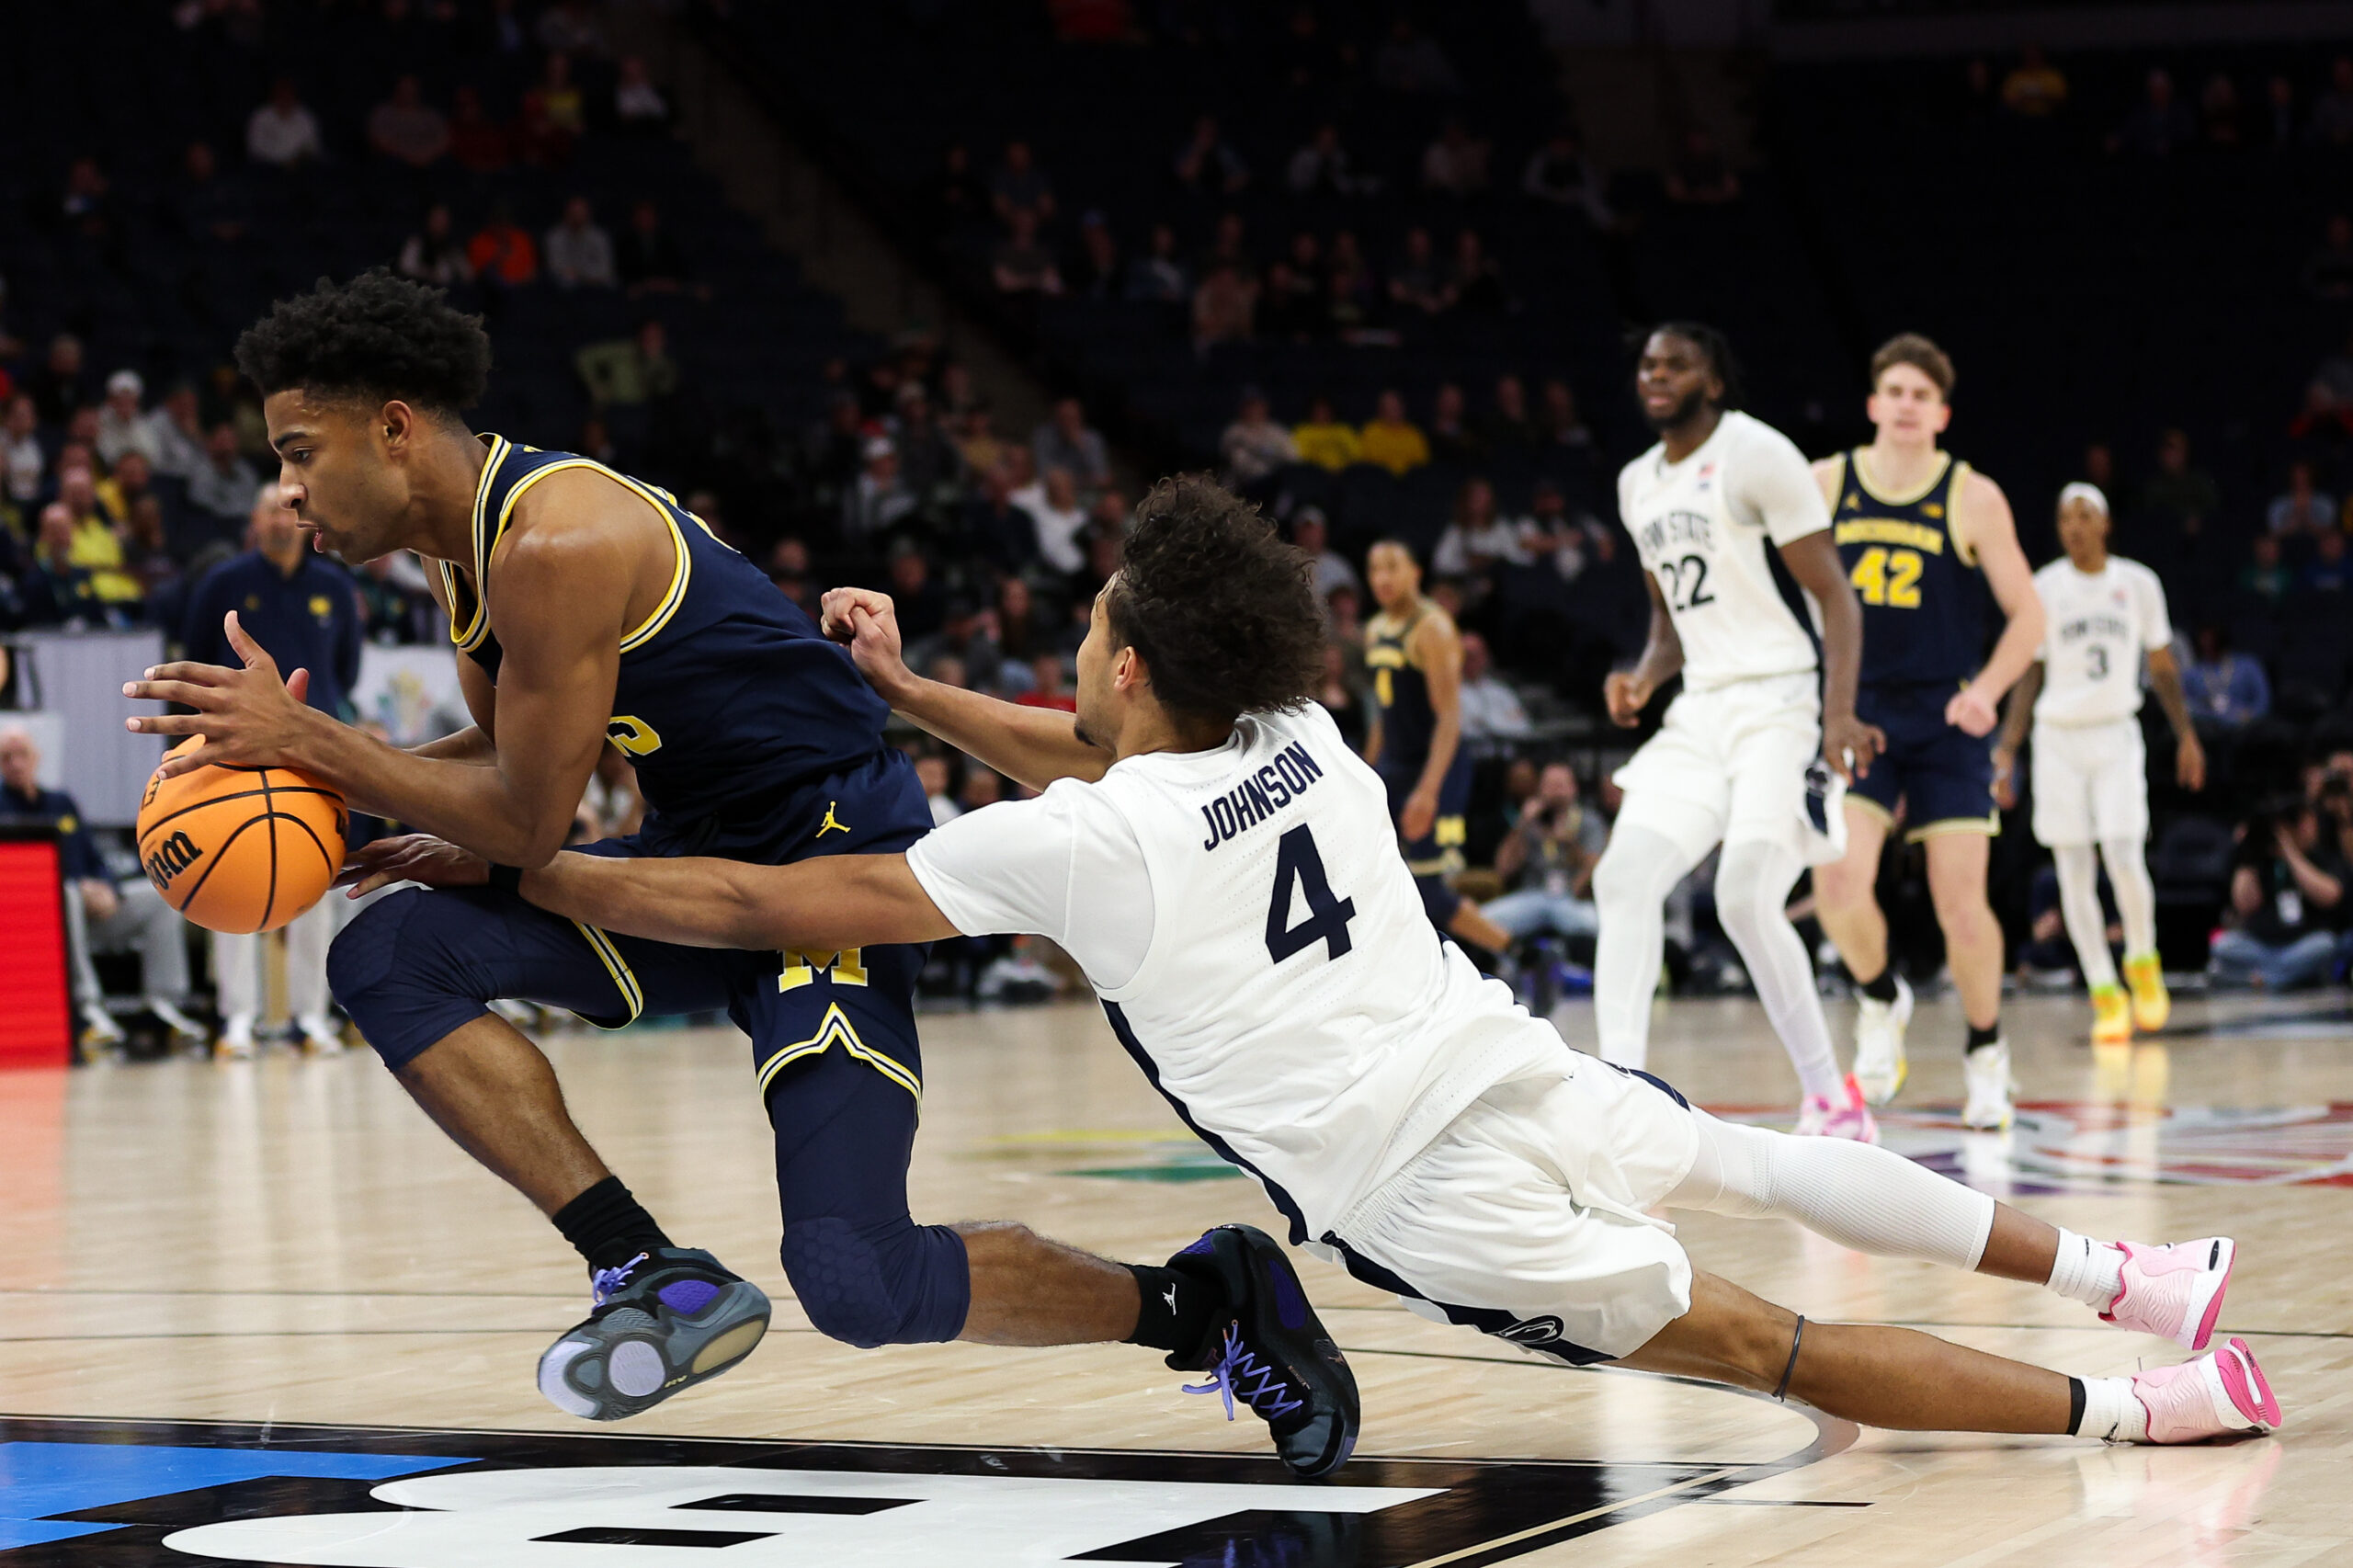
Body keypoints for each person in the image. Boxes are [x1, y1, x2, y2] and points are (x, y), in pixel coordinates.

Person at [362, 476, 2279, 1452]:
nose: (1083, 659)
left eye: (1091, 637)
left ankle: (2141, 1412)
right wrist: (910, 690)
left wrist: (559, 869)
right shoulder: (1299, 728)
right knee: (1763, 1156)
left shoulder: (1091, 837)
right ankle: (2135, 1274)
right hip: (1493, 1052)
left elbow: (771, 910)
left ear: (1127, 668)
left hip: (1410, 1182)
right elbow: (1080, 754)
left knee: (1762, 1346)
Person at [123, 272, 1351, 1476]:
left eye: (298, 449)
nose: (283, 488)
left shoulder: (555, 537)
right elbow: (518, 761)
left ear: (394, 429)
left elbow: (528, 816)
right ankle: (647, 1271)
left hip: (830, 866)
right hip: (692, 857)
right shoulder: (467, 553)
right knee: (390, 949)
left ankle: (1209, 1302)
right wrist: (327, 782)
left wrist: (318, 749)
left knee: (858, 1277)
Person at [1599, 324, 1881, 1139]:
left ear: (1714, 382)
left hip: (1780, 702)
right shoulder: (1636, 483)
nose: (1656, 375)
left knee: (1746, 895)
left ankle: (1832, 1099)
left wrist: (1836, 715)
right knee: (1623, 880)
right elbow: (1670, 621)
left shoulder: (1759, 456)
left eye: (1675, 364)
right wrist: (1646, 676)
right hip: (1702, 706)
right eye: (1647, 364)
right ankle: (1626, 1099)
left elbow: (1836, 597)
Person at [1809, 335, 2044, 1131]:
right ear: (1874, 404)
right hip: (1859, 710)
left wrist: (1986, 691)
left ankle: (1986, 1054)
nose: (1906, 404)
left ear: (1941, 413)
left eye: (1921, 395)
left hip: (1945, 718)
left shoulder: (1972, 496)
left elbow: (2030, 615)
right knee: (1835, 883)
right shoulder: (1824, 482)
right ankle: (1881, 1002)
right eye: (1894, 391)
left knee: (1960, 903)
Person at [1993, 484, 2203, 1047]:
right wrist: (2008, 750)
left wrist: (2187, 736)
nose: (2074, 526)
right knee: (2072, 871)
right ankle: (2106, 993)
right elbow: (2029, 675)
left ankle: (2142, 960)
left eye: (2085, 516)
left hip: (2115, 733)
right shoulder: (2044, 587)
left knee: (2123, 851)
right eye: (2065, 518)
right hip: (2059, 738)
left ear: (2105, 524)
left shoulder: (2137, 584)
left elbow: (2161, 668)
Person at [180, 483, 364, 1058]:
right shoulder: (223, 584)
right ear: (253, 521)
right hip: (232, 755)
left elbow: (346, 670)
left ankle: (312, 1017)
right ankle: (239, 1018)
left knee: (313, 880)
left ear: (309, 521)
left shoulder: (335, 586)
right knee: (227, 876)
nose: (283, 521)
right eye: (271, 510)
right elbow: (191, 661)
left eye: (291, 510)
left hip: (313, 756)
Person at [0, 728, 202, 1052]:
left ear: (36, 758)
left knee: (158, 898)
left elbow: (94, 858)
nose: (16, 764)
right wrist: (80, 888)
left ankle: (163, 1003)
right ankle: (86, 1006)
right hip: (42, 922)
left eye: (22, 754)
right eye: (7, 758)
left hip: (94, 910)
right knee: (64, 893)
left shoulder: (61, 802)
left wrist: (107, 888)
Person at [1362, 540, 1513, 956]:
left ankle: (1518, 953)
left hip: (1436, 767)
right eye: (1375, 569)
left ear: (1416, 572)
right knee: (1377, 874)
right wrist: (1364, 774)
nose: (1382, 578)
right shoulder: (1375, 629)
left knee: (1427, 887)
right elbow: (1384, 710)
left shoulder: (1433, 627)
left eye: (1393, 567)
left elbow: (1449, 718)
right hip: (1395, 764)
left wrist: (1428, 792)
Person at [2210, 801, 2346, 989]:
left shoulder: (2319, 855)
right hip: (2261, 945)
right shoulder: (2256, 860)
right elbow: (2245, 905)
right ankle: (2284, 976)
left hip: (2302, 943)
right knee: (2222, 946)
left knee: (2326, 945)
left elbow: (2331, 897)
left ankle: (2266, 979)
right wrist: (2249, 851)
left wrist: (2289, 851)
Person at [1485, 761, 1605, 944]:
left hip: (1571, 899)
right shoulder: (1529, 822)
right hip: (1533, 896)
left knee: (1596, 925)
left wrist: (1568, 842)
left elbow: (1593, 869)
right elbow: (1502, 868)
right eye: (1550, 786)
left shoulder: (1588, 821)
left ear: (1574, 789)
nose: (1556, 792)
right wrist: (1522, 824)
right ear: (1539, 790)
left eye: (1561, 786)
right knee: (1483, 921)